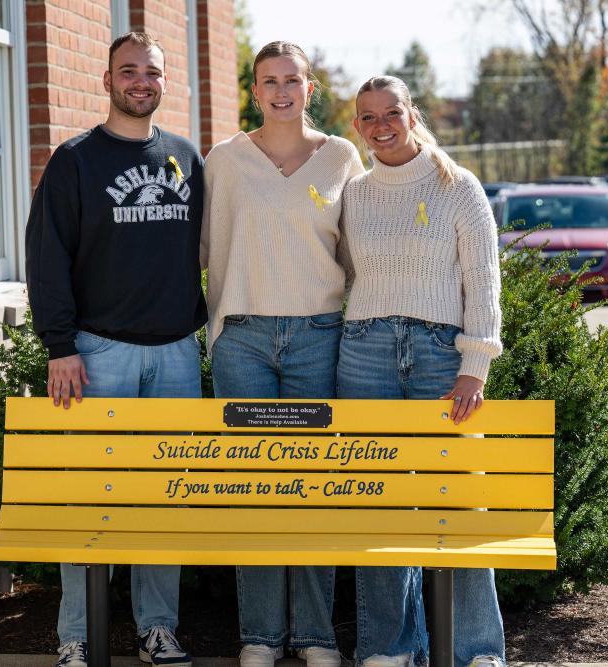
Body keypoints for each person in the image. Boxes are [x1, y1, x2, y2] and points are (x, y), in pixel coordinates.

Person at [25, 31, 205, 667]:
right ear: (106, 81)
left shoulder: (186, 157)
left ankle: (158, 628)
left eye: (151, 72)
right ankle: (77, 634)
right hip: (98, 354)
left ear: (164, 81)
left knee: (167, 497)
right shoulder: (75, 161)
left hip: (179, 353)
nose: (140, 82)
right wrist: (59, 345)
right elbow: (47, 259)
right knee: (89, 497)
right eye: (127, 72)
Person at [200, 41, 365, 667]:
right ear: (254, 88)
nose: (280, 92)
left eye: (292, 80)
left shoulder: (342, 158)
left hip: (318, 335)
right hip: (241, 335)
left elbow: (358, 248)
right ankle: (262, 636)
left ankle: (317, 636)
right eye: (269, 81)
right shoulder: (225, 160)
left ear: (310, 88)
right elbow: (201, 247)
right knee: (254, 486)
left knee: (313, 487)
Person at [337, 75, 504, 667]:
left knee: (460, 499)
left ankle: (477, 650)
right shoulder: (354, 193)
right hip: (364, 352)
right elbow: (348, 277)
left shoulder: (458, 186)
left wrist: (474, 365)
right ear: (356, 125)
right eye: (368, 117)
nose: (381, 126)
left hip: (439, 354)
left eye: (392, 113)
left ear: (412, 115)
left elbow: (483, 280)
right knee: (378, 498)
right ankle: (388, 648)